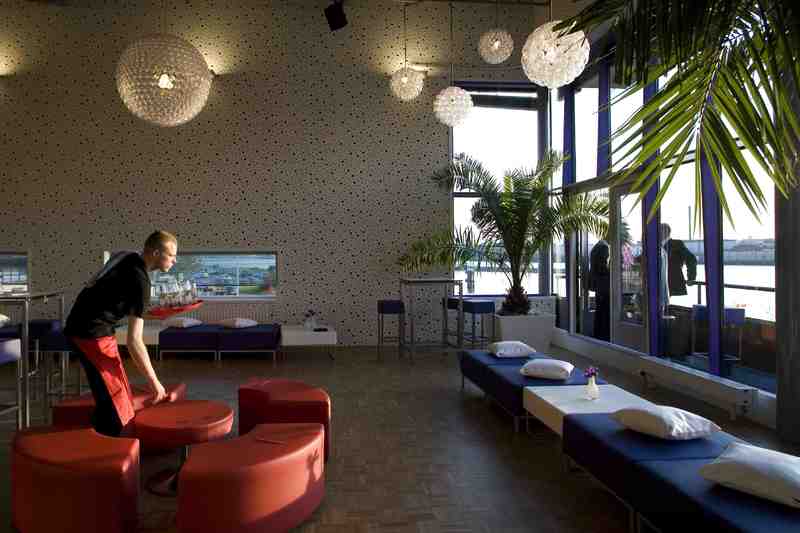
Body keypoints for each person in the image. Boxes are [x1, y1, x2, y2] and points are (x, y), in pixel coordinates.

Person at [64, 231, 177, 437]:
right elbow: (134, 342)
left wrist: (148, 312)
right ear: (155, 253)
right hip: (91, 333)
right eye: (171, 255)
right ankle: (108, 447)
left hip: (81, 326)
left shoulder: (126, 256)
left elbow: (104, 292)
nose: (174, 260)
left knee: (111, 393)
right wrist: (155, 384)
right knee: (117, 405)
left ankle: (101, 435)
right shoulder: (141, 281)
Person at [661, 223, 698, 297]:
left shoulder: (677, 244)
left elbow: (691, 259)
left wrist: (691, 277)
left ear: (666, 232)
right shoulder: (654, 245)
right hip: (657, 283)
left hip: (671, 283)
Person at [588, 239, 611, 342]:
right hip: (604, 287)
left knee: (600, 312)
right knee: (604, 313)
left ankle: (598, 335)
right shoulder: (603, 247)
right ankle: (603, 336)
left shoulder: (597, 247)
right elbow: (602, 267)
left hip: (599, 287)